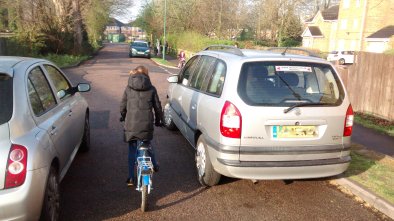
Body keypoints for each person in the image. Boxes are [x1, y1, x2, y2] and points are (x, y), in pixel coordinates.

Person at [120, 65, 163, 186]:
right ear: (146, 75)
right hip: (146, 126)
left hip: (131, 126)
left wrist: (123, 116)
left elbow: (122, 106)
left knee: (132, 151)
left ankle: (130, 178)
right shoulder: (152, 89)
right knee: (147, 144)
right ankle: (154, 164)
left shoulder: (128, 88)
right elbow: (158, 108)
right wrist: (159, 120)